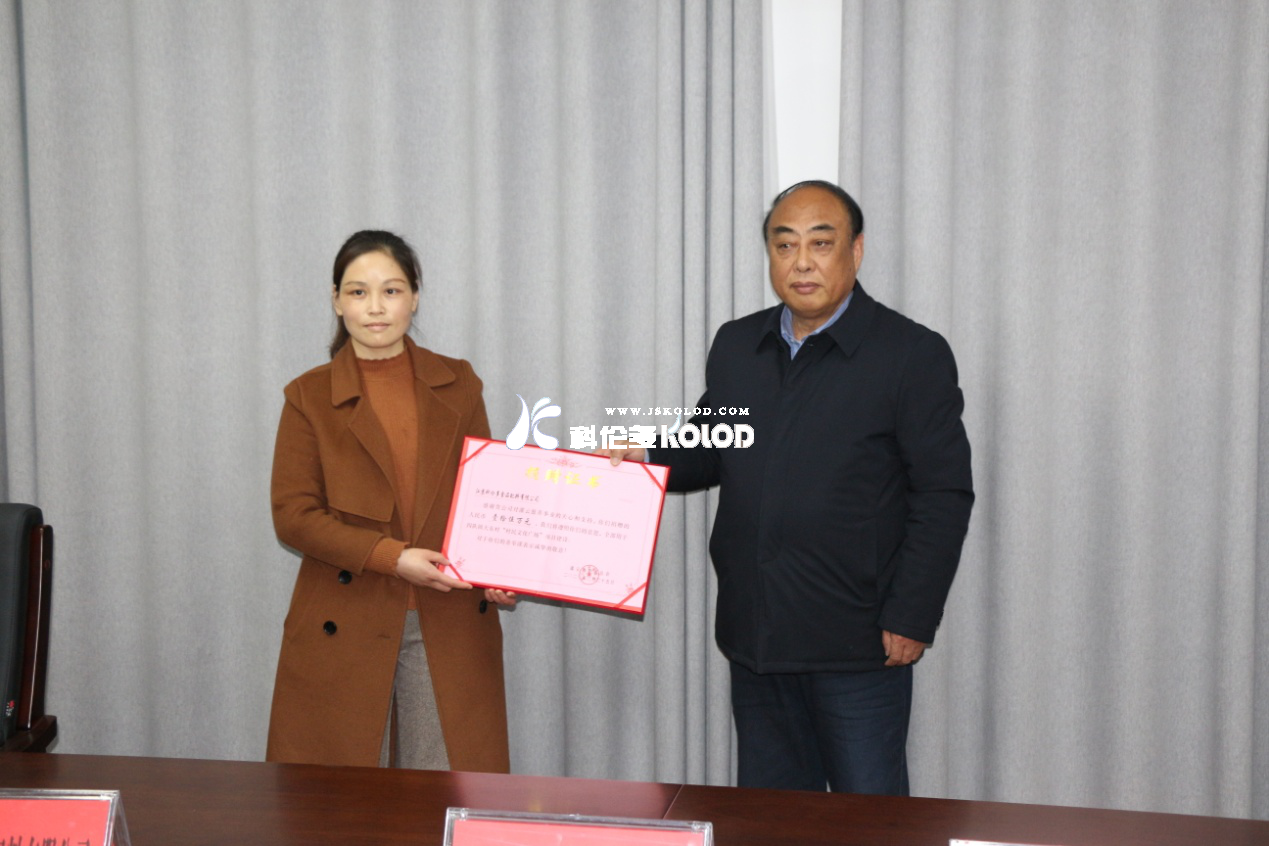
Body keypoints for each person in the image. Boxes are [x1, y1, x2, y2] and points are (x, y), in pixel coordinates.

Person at [605, 181, 973, 794]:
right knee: (772, 817)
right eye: (785, 245)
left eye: (820, 243)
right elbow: (712, 445)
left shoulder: (911, 354)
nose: (801, 262)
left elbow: (943, 495)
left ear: (856, 251)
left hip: (859, 642)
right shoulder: (737, 344)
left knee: (869, 821)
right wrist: (638, 455)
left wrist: (913, 614)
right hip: (757, 635)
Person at [267, 230, 513, 771]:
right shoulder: (308, 395)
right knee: (345, 802)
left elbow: (486, 498)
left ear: (415, 297)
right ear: (336, 301)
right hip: (347, 615)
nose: (375, 307)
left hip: (447, 613)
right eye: (358, 292)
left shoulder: (459, 383)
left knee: (445, 791)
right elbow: (294, 516)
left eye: (392, 290)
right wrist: (391, 557)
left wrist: (501, 568)